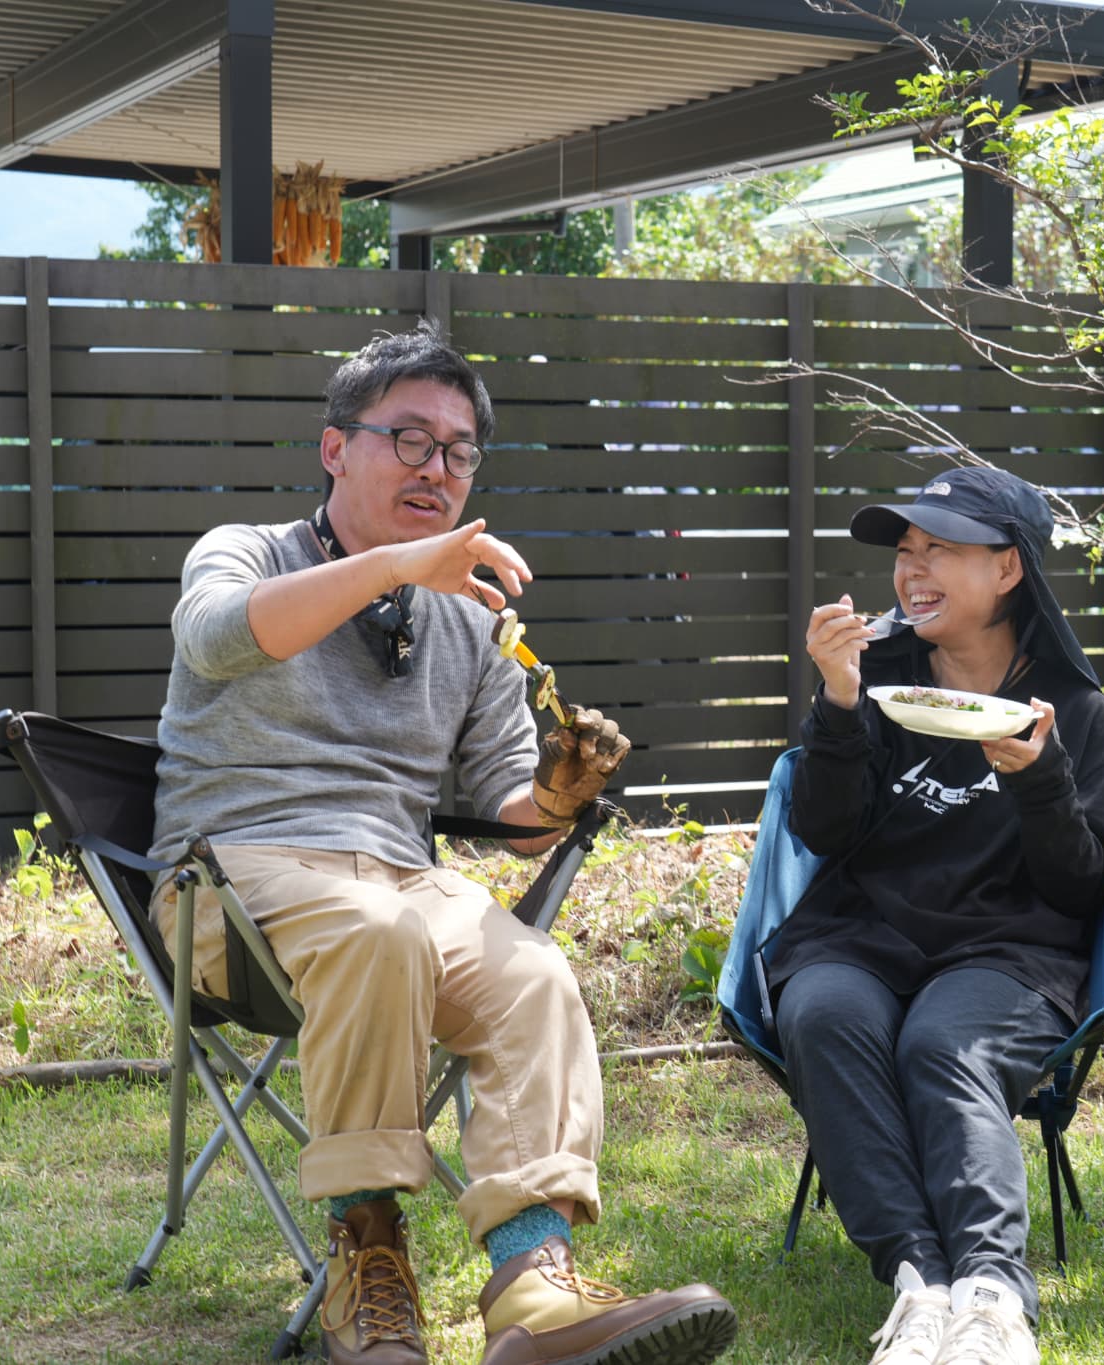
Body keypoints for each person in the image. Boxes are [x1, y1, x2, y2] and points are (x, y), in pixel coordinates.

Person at [146, 323, 737, 1365]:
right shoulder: (244, 551)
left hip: (402, 880)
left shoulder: (466, 620)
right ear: (336, 449)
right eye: (408, 440)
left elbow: (502, 810)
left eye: (458, 452)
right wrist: (398, 565)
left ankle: (531, 1288)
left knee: (532, 974)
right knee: (381, 933)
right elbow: (221, 636)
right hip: (235, 883)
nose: (437, 468)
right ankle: (366, 1263)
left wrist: (557, 788)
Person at [769, 466, 1104, 1365]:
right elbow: (819, 827)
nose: (914, 569)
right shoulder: (878, 679)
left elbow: (1081, 888)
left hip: (1007, 950)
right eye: (906, 550)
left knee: (941, 1042)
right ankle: (920, 1283)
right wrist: (840, 700)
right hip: (863, 935)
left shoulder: (1073, 712)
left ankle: (994, 1294)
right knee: (823, 1013)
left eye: (943, 549)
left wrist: (1038, 777)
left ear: (1007, 570)